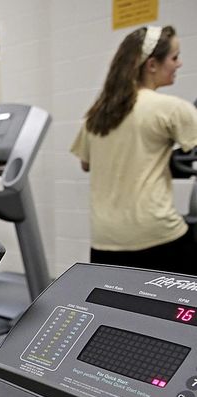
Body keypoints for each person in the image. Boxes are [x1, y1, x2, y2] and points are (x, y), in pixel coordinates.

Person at [71, 25, 197, 274]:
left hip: (105, 239)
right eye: (174, 57)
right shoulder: (171, 108)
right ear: (151, 65)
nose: (179, 64)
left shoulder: (98, 114)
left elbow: (86, 163)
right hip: (157, 235)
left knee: (116, 311)